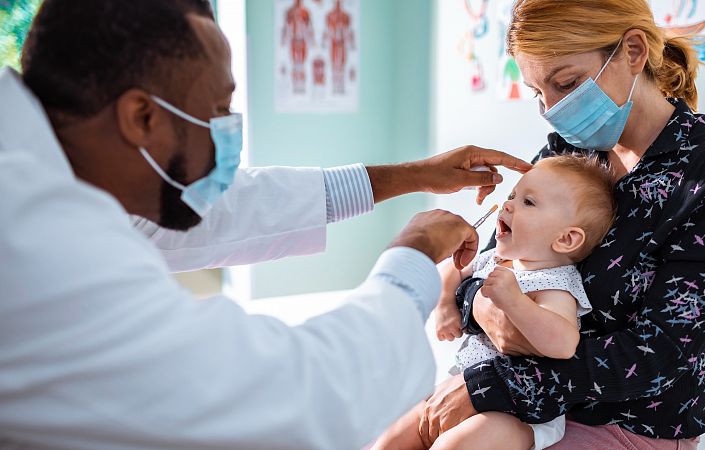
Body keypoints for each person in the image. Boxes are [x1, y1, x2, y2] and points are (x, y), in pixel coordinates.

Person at [0, 1, 533, 449]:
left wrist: (416, 175)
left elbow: (227, 208)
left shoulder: (50, 172)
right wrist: (412, 257)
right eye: (219, 108)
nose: (229, 134)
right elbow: (290, 396)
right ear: (142, 117)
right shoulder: (34, 245)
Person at [415, 1, 705, 449]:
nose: (551, 109)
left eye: (566, 83)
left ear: (634, 52)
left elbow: (662, 353)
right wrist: (478, 307)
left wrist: (495, 381)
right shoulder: (569, 153)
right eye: (538, 92)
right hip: (519, 406)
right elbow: (496, 262)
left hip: (627, 423)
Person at [372, 155, 616, 450]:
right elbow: (453, 269)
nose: (508, 204)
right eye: (513, 195)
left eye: (529, 202)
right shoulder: (499, 258)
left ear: (565, 240)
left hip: (517, 413)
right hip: (463, 381)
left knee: (452, 446)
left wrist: (515, 302)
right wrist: (445, 308)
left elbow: (563, 343)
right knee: (390, 440)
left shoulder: (557, 284)